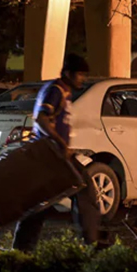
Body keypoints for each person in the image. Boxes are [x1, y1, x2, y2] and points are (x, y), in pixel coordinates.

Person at [11, 53, 102, 251]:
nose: (83, 79)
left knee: (40, 201)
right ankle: (91, 242)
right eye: (80, 74)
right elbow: (41, 118)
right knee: (84, 187)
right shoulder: (56, 90)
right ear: (68, 73)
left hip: (50, 153)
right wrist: (61, 143)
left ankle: (22, 248)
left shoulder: (62, 90)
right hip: (51, 153)